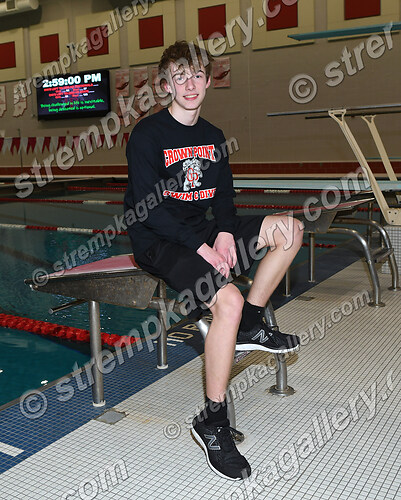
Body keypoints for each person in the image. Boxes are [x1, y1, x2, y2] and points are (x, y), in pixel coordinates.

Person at [124, 40, 304, 481]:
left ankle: (253, 322)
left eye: (197, 75)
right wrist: (204, 248)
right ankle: (213, 419)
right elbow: (149, 209)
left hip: (200, 232)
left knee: (290, 229)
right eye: (179, 77)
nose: (190, 84)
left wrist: (223, 232)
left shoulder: (213, 135)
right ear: (166, 85)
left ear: (208, 81)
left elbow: (224, 197)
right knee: (227, 300)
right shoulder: (148, 135)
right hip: (158, 241)